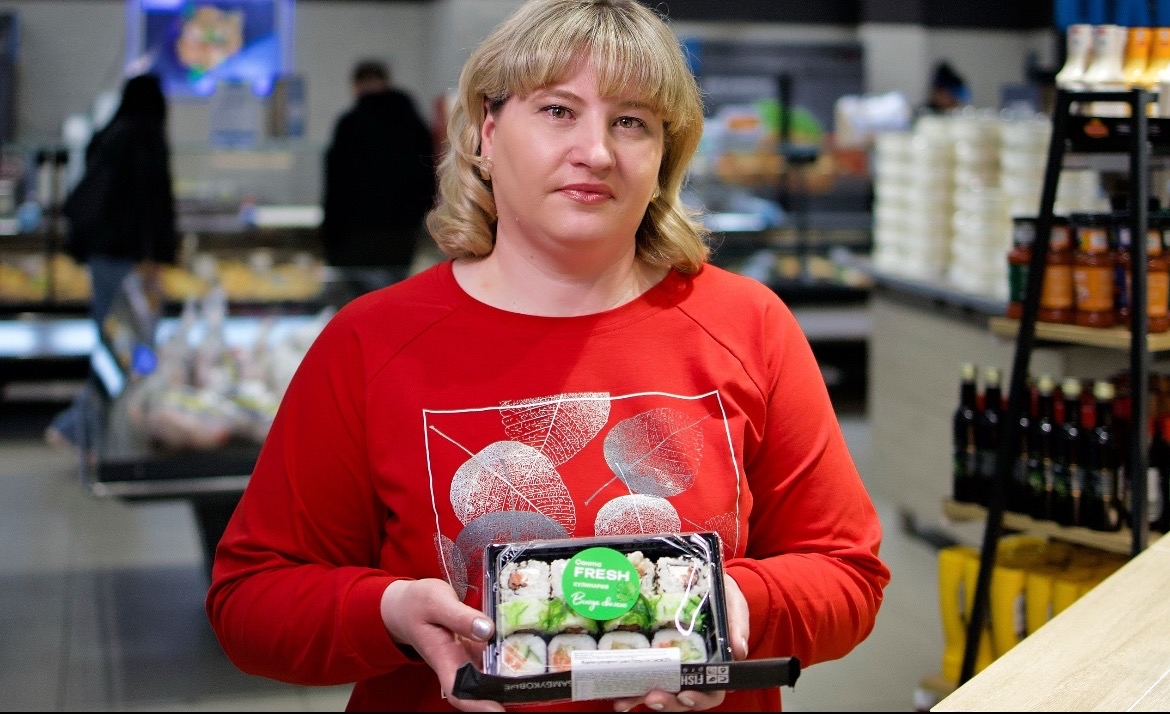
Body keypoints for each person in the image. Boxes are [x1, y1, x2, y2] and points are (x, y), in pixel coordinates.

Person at [206, 1, 889, 711]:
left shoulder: (748, 325)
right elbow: (251, 600)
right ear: (487, 132)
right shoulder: (370, 342)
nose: (597, 151)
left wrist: (740, 601)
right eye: (559, 111)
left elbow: (849, 574)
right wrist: (390, 612)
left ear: (665, 157)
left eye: (632, 121)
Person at [46, 73, 176, 452]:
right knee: (127, 350)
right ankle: (85, 427)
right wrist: (159, 257)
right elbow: (155, 204)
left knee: (115, 346)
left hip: (103, 256)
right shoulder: (146, 136)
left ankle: (102, 429)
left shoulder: (110, 132)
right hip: (129, 260)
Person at [321, 58, 437, 297]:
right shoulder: (412, 123)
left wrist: (330, 238)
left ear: (355, 86)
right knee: (393, 297)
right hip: (403, 232)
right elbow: (429, 177)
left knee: (359, 301)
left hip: (356, 234)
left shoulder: (350, 124)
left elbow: (337, 186)